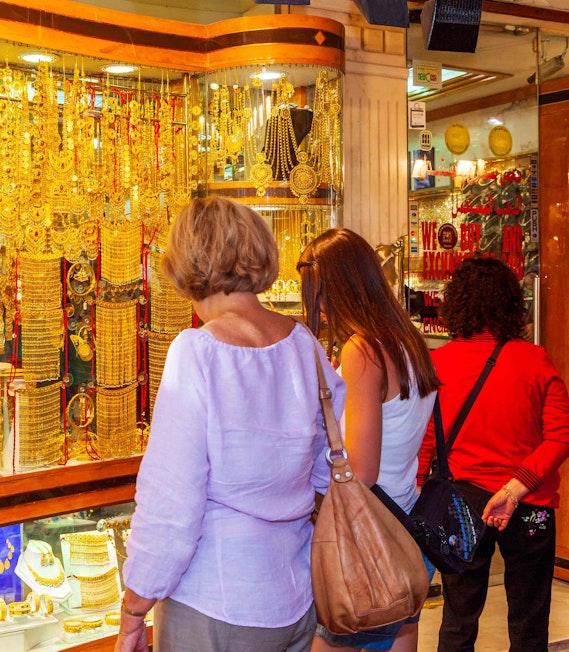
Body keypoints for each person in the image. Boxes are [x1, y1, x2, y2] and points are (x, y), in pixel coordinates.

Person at [116, 197, 345, 652]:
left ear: (189, 263)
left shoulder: (197, 351)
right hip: (297, 593)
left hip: (216, 600)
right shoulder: (303, 344)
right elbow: (330, 467)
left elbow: (172, 503)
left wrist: (135, 608)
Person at [417, 257, 569, 652]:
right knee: (529, 620)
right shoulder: (534, 360)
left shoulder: (436, 364)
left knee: (458, 618)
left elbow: (425, 441)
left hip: (460, 502)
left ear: (456, 303)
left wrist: (420, 489)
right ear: (511, 303)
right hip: (528, 501)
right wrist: (515, 487)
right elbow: (562, 436)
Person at [297, 227, 440, 652]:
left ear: (338, 288)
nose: (319, 309)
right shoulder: (409, 342)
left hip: (367, 539)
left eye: (318, 296)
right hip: (406, 527)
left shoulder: (363, 351)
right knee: (402, 634)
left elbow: (360, 470)